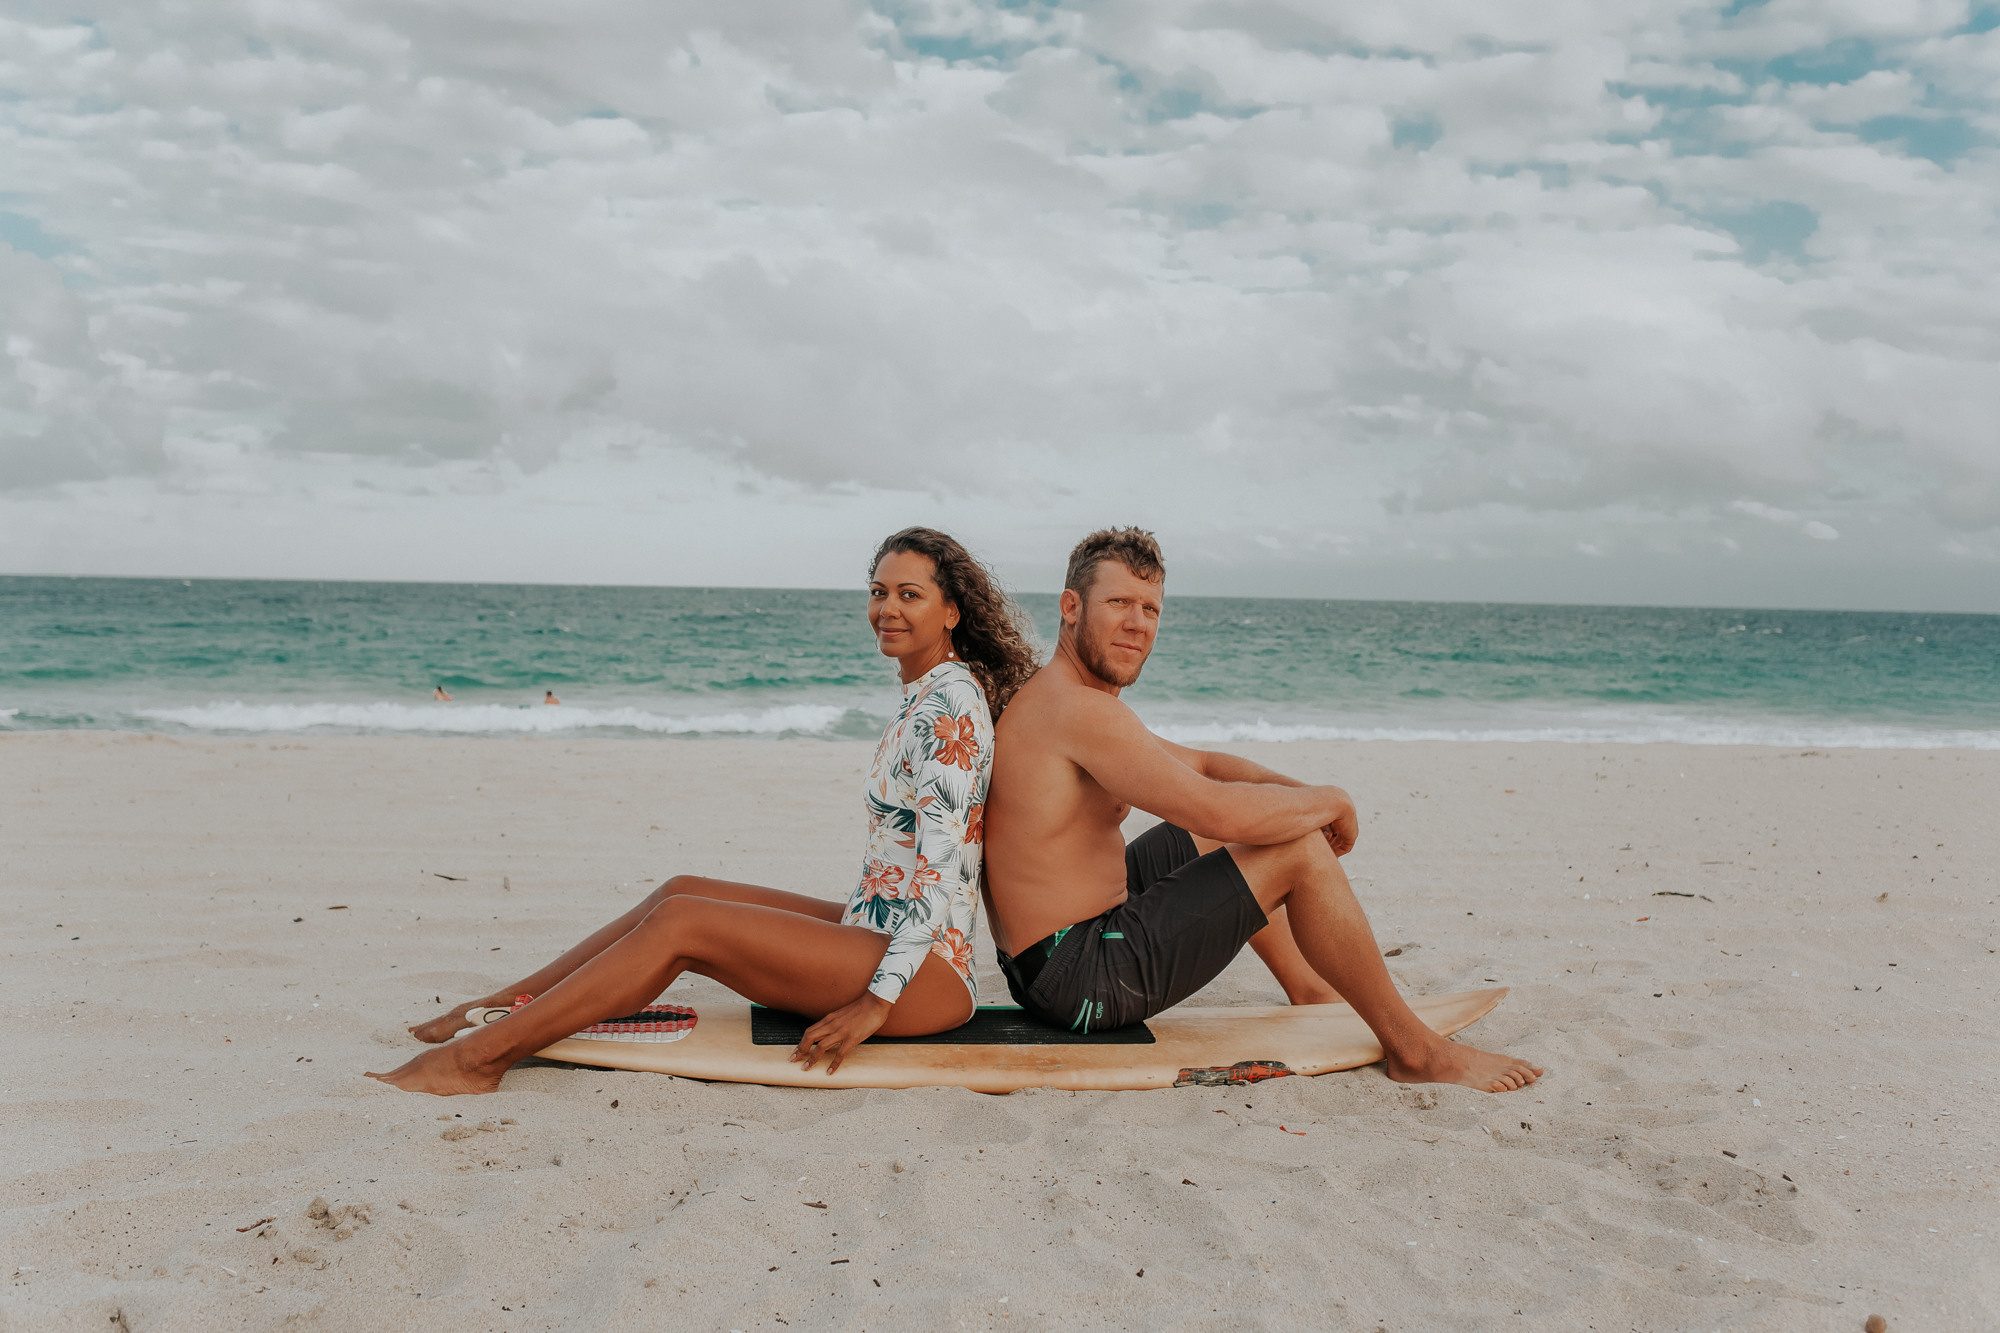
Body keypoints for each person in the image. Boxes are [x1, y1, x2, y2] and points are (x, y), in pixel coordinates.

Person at [369, 528, 1038, 1095]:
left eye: (908, 594)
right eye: (878, 592)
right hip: (879, 930)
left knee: (684, 924)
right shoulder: (927, 691)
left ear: (951, 611)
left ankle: (478, 1058)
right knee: (683, 890)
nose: (886, 608)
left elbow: (941, 869)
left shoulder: (950, 705)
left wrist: (874, 1002)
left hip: (921, 973)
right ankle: (501, 1006)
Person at [982, 527, 1543, 1093]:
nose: (1137, 623)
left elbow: (1202, 764)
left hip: (1041, 961)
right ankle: (1415, 1051)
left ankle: (1310, 989)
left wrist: (1301, 795)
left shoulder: (1064, 699)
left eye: (1150, 608)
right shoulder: (1081, 711)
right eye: (1119, 603)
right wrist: (1330, 802)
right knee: (1291, 848)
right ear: (1071, 607)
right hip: (1076, 980)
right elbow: (1218, 814)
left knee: (1247, 832)